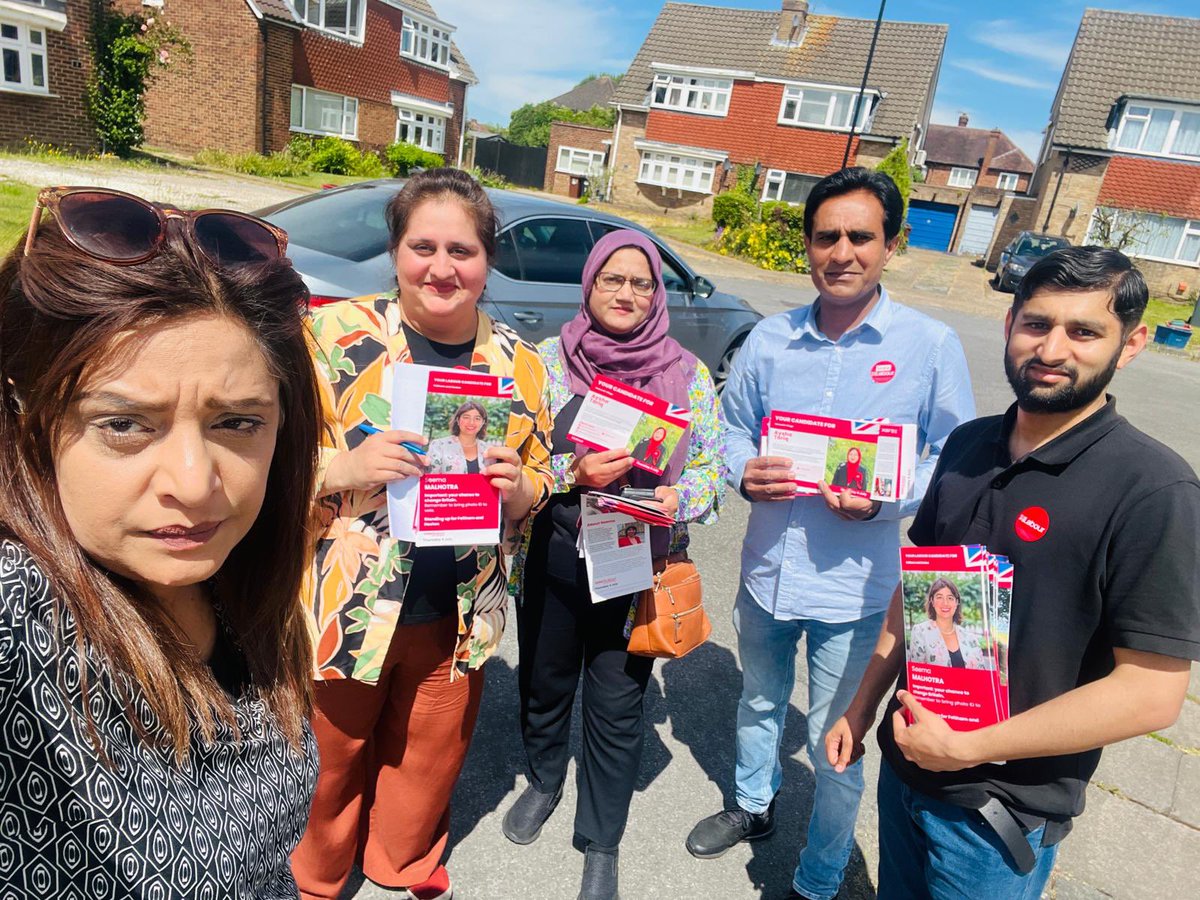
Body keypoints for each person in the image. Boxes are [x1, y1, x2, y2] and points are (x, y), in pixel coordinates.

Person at [826, 246, 1200, 898]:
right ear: (1009, 326)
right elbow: (914, 596)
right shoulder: (968, 445)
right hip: (905, 771)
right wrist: (859, 710)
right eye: (1037, 324)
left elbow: (1152, 692)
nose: (1052, 349)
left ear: (1131, 343)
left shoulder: (1153, 488)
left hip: (1000, 816)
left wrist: (972, 748)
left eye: (1084, 332)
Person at [0, 186, 321, 894]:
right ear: (27, 414)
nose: (195, 482)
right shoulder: (18, 608)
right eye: (125, 424)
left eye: (237, 422)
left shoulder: (239, 585)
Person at [686, 167, 975, 900]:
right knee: (757, 698)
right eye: (826, 237)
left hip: (859, 588)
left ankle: (818, 876)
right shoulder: (772, 339)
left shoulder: (930, 345)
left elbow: (956, 454)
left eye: (860, 236)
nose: (841, 251)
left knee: (835, 739)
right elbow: (730, 428)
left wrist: (884, 500)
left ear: (891, 245)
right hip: (766, 572)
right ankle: (753, 806)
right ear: (807, 246)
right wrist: (743, 470)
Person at [293, 169, 554, 900]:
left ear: (488, 260)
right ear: (396, 251)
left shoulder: (521, 366)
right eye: (423, 246)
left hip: (461, 607)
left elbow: (542, 476)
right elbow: (267, 450)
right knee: (331, 753)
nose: (442, 268)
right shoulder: (332, 336)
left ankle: (401, 859)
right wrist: (342, 463)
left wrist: (526, 491)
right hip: (348, 600)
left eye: (462, 251)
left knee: (430, 751)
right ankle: (315, 876)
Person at [504, 229, 724, 900]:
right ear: (590, 284)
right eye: (612, 279)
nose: (626, 293)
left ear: (657, 293)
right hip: (552, 557)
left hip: (632, 565)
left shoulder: (688, 374)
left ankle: (602, 840)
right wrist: (572, 470)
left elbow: (711, 477)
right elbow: (517, 461)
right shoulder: (547, 361)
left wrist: (674, 495)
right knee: (543, 686)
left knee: (617, 706)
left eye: (641, 282)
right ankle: (545, 781)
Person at [907, 578, 985, 669]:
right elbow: (917, 673)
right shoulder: (920, 632)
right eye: (939, 597)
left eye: (950, 598)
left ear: (957, 602)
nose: (945, 603)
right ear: (932, 601)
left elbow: (981, 674)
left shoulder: (971, 638)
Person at [426, 400, 494, 474]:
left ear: (483, 422)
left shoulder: (489, 450)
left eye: (477, 418)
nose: (471, 422)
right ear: (458, 420)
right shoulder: (439, 445)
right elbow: (429, 478)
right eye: (466, 417)